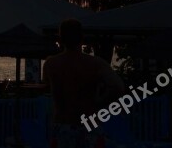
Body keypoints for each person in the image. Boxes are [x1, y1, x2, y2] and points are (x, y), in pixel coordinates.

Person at [43, 19, 125, 148]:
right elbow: (118, 86)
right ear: (82, 38)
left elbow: (47, 85)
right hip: (89, 123)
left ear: (60, 39)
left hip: (63, 124)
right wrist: (101, 100)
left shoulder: (51, 64)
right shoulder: (96, 64)